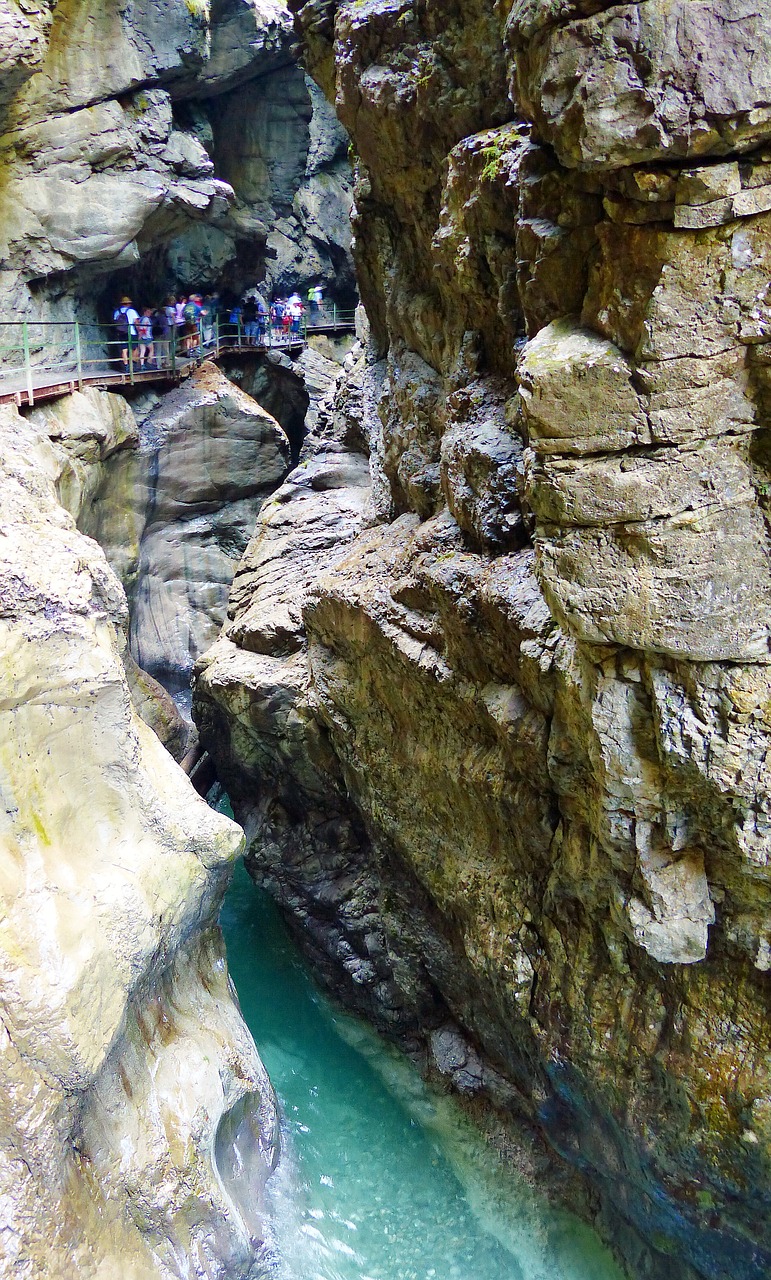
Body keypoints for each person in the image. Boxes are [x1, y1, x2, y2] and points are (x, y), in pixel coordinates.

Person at [113, 296, 140, 371]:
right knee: (133, 349)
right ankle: (133, 366)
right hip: (132, 332)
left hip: (122, 333)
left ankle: (126, 367)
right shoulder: (132, 311)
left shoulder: (117, 312)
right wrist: (139, 332)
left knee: (124, 350)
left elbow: (115, 322)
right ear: (128, 303)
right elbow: (136, 322)